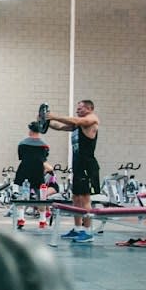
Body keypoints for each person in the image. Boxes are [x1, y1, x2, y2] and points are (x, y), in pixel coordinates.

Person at [43, 100, 101, 243]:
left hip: (87, 165)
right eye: (77, 108)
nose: (77, 110)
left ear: (89, 108)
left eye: (80, 108)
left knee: (85, 199)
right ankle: (77, 229)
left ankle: (87, 232)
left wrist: (53, 115)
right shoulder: (77, 125)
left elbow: (74, 119)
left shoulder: (92, 119)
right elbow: (59, 126)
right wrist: (45, 121)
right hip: (78, 165)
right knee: (75, 198)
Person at [15, 122, 50, 197]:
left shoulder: (22, 144)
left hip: (24, 172)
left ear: (30, 131)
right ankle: (41, 208)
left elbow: (21, 157)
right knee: (40, 197)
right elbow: (44, 159)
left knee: (22, 196)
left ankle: (23, 208)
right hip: (38, 173)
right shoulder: (45, 146)